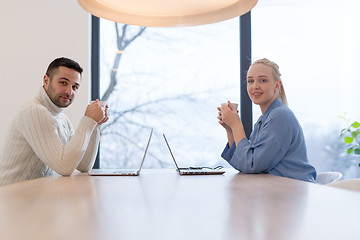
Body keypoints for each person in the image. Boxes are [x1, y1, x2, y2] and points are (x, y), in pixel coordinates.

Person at [0, 57, 108, 186]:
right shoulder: (34, 111)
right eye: (63, 83)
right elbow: (64, 167)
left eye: (75, 87)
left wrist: (95, 124)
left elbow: (84, 166)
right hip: (12, 201)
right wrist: (88, 120)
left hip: (35, 198)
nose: (69, 91)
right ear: (46, 80)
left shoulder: (63, 119)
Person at [217, 58, 316, 182]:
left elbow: (252, 164)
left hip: (291, 191)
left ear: (277, 85)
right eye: (250, 81)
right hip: (276, 189)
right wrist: (230, 129)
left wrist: (237, 125)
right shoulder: (264, 119)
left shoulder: (280, 116)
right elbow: (243, 162)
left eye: (262, 80)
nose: (255, 86)